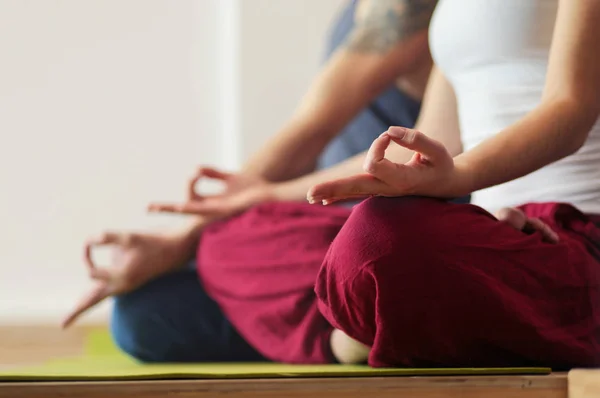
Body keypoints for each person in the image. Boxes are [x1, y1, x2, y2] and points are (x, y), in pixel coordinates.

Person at [64, 0, 451, 364]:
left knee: (218, 248)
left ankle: (353, 326)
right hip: (336, 232)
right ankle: (348, 324)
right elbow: (310, 137)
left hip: (387, 226)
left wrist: (191, 236)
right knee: (142, 317)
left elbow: (314, 130)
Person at [309, 0, 600, 369]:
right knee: (242, 235)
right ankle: (375, 320)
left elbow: (571, 108)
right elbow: (427, 142)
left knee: (372, 240)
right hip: (488, 230)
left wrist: (459, 176)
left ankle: (355, 329)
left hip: (577, 237)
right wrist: (264, 195)